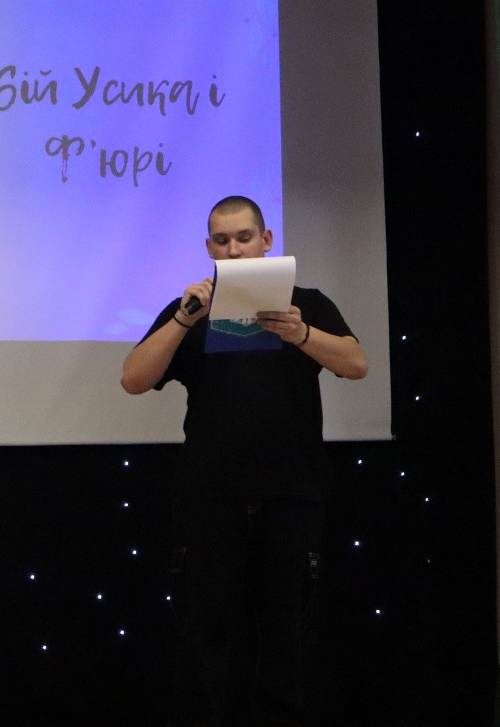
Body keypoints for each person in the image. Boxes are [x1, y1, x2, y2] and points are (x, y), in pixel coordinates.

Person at [119, 195, 368, 726]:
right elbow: (133, 379)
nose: (233, 250)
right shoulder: (192, 310)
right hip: (210, 500)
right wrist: (183, 318)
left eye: (243, 238)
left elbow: (356, 364)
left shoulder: (306, 304)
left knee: (285, 640)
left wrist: (301, 334)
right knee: (204, 641)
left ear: (266, 240)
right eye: (221, 240)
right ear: (209, 248)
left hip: (291, 497)